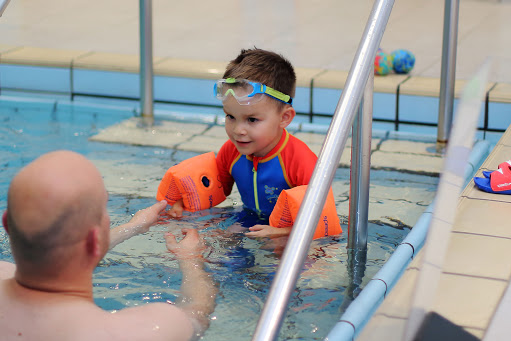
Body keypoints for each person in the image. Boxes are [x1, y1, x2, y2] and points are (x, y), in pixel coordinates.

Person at [0, 150, 217, 341]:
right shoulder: (143, 330)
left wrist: (133, 227)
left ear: (7, 224)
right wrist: (191, 261)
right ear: (95, 240)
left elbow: (60, 253)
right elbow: (198, 314)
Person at [168, 48, 318, 238]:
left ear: (284, 118)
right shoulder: (231, 151)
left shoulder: (299, 160)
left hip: (289, 232)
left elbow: (319, 220)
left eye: (252, 120)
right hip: (248, 219)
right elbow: (213, 190)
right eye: (230, 116)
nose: (238, 130)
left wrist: (281, 232)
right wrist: (183, 204)